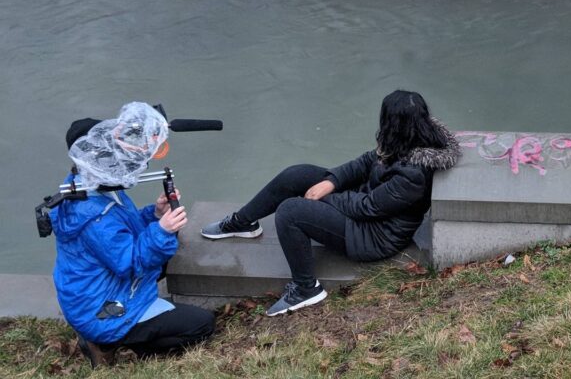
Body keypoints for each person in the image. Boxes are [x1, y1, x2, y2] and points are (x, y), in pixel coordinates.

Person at [201, 90, 460, 316]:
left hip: (373, 236)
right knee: (298, 174)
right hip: (369, 205)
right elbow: (365, 162)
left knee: (290, 211)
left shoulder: (413, 175)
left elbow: (368, 207)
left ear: (395, 123)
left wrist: (323, 197)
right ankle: (242, 222)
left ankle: (305, 288)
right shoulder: (407, 138)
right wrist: (332, 181)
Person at [51, 103, 215, 367]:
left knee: (163, 253)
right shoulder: (93, 213)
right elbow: (129, 261)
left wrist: (154, 214)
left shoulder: (87, 184)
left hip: (88, 293)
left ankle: (117, 330)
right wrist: (163, 230)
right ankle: (107, 343)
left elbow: (119, 231)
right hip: (100, 310)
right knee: (201, 324)